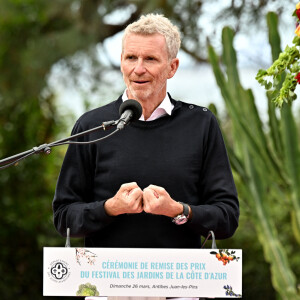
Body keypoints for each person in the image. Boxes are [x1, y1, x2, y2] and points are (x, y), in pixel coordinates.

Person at [53, 13, 239, 299]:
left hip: (181, 287)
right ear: (121, 63)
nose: (138, 69)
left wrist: (178, 210)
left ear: (172, 67)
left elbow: (227, 218)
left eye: (150, 59)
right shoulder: (92, 126)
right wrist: (110, 208)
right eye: (130, 58)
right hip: (104, 286)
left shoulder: (201, 124)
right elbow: (64, 216)